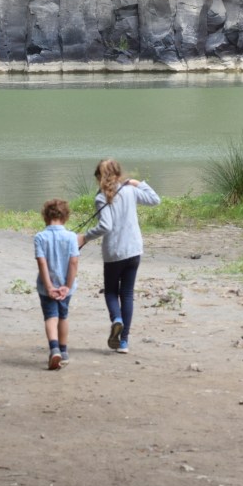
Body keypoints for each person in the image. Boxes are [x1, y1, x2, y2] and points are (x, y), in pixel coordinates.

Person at [77, 158, 159, 354]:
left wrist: (85, 238)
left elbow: (106, 226)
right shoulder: (130, 191)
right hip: (134, 251)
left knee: (111, 292)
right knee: (128, 294)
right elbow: (155, 199)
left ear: (99, 177)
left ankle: (117, 319)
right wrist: (136, 182)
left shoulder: (101, 197)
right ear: (119, 174)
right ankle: (124, 342)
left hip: (114, 253)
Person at [34, 198, 79, 370]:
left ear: (45, 216)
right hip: (66, 287)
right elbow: (73, 262)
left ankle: (54, 349)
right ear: (65, 217)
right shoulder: (71, 237)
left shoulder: (40, 237)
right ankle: (64, 351)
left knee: (50, 317)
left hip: (47, 288)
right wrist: (67, 286)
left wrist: (49, 286)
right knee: (63, 316)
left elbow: (42, 263)